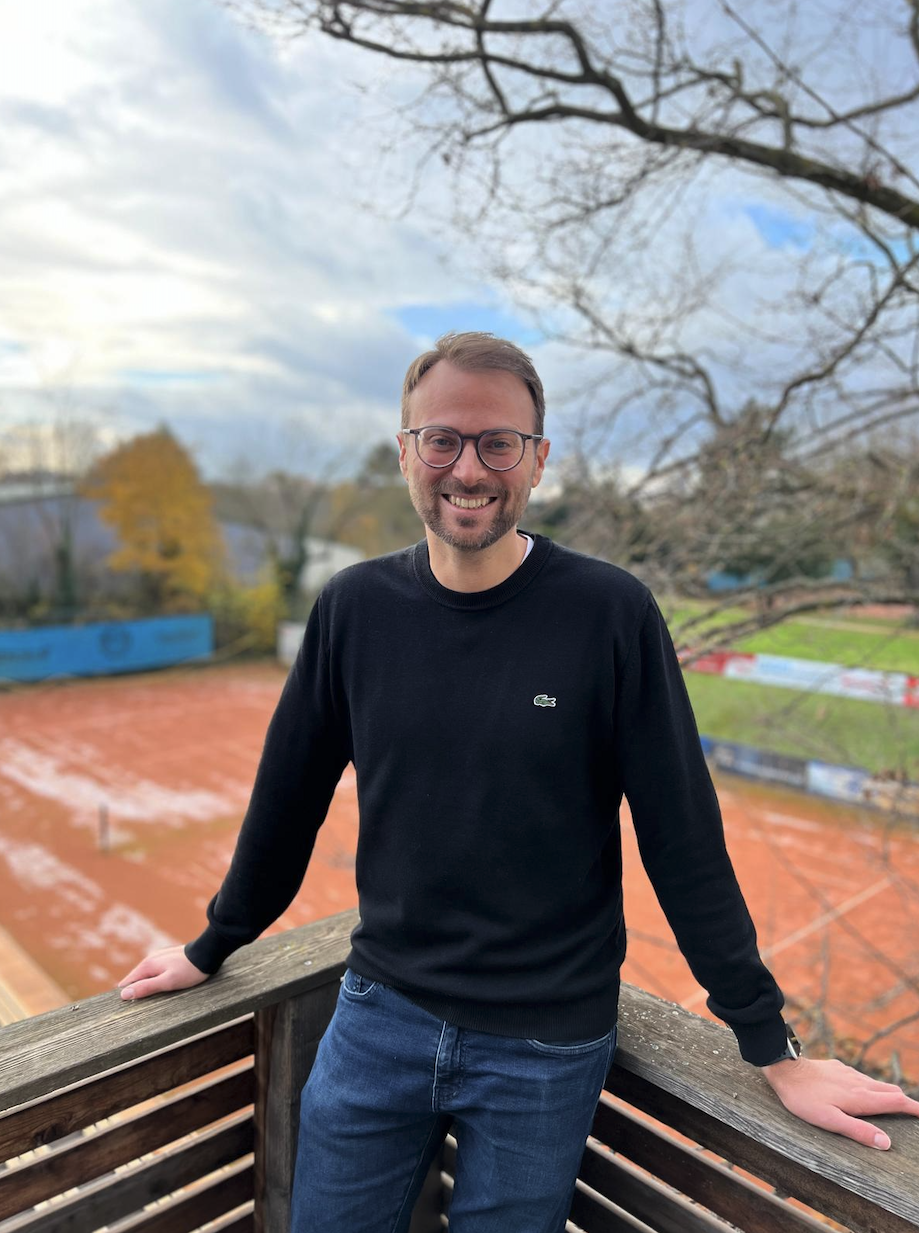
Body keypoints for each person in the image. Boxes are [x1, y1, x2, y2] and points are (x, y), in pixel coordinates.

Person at [119, 332, 919, 1233]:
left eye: (498, 442)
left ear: (537, 461)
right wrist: (213, 942)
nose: (469, 467)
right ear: (404, 451)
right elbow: (286, 801)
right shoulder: (353, 609)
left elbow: (681, 836)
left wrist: (771, 1046)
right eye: (443, 439)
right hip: (378, 1016)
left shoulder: (609, 613)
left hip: (545, 1046)